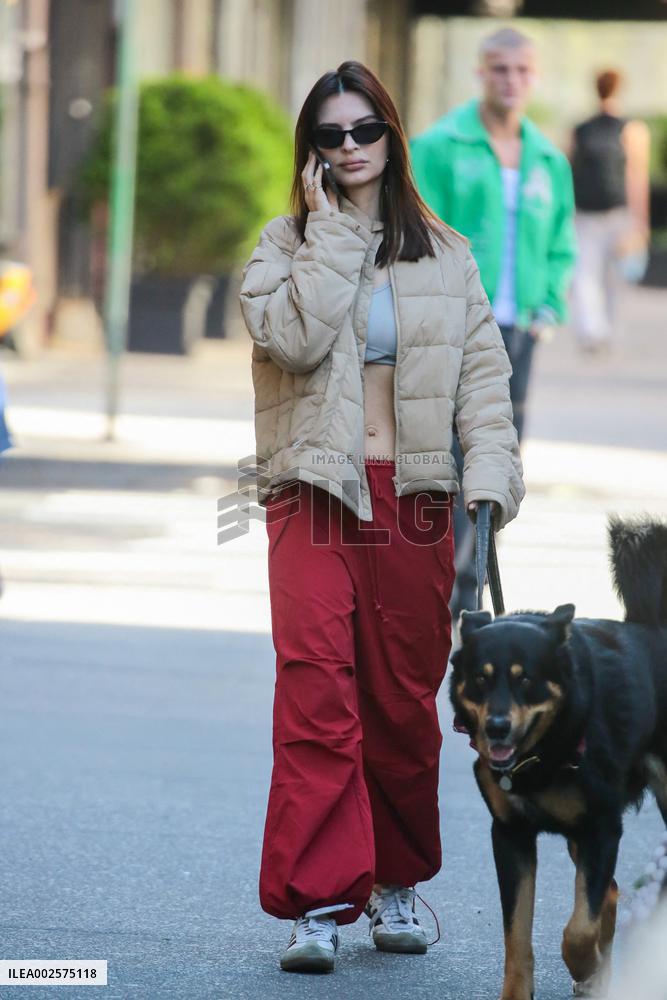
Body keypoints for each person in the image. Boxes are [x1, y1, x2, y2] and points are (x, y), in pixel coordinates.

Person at [239, 59, 524, 975]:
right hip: (312, 494)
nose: (351, 147)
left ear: (392, 136)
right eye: (332, 135)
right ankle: (319, 900)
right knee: (315, 694)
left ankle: (394, 883)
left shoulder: (446, 254)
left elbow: (483, 384)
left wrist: (489, 485)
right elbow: (290, 337)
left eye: (365, 130)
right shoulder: (282, 245)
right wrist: (331, 237)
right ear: (311, 150)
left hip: (415, 501)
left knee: (399, 707)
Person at [410, 26, 576, 620]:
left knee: (499, 460)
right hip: (455, 327)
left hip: (520, 330)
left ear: (534, 77)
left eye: (522, 70)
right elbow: (420, 234)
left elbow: (561, 240)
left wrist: (548, 306)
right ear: (481, 73)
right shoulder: (438, 147)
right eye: (499, 69)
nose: (511, 80)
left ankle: (473, 584)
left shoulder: (549, 161)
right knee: (449, 457)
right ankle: (440, 585)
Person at [568, 69, 651, 353]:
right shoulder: (632, 129)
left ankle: (593, 331)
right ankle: (609, 332)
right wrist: (641, 221)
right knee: (616, 277)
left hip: (585, 211)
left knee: (585, 274)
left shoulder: (580, 129)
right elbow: (636, 176)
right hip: (619, 211)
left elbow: (568, 171)